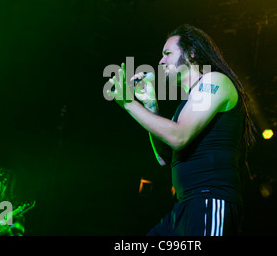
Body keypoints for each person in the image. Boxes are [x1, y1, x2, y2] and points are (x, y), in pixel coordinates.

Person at [106, 24, 255, 236]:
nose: (161, 61)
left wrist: (129, 103)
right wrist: (150, 105)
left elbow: (179, 136)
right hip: (184, 206)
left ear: (191, 53)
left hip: (209, 201)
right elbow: (164, 157)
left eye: (168, 53)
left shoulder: (215, 81)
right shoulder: (186, 105)